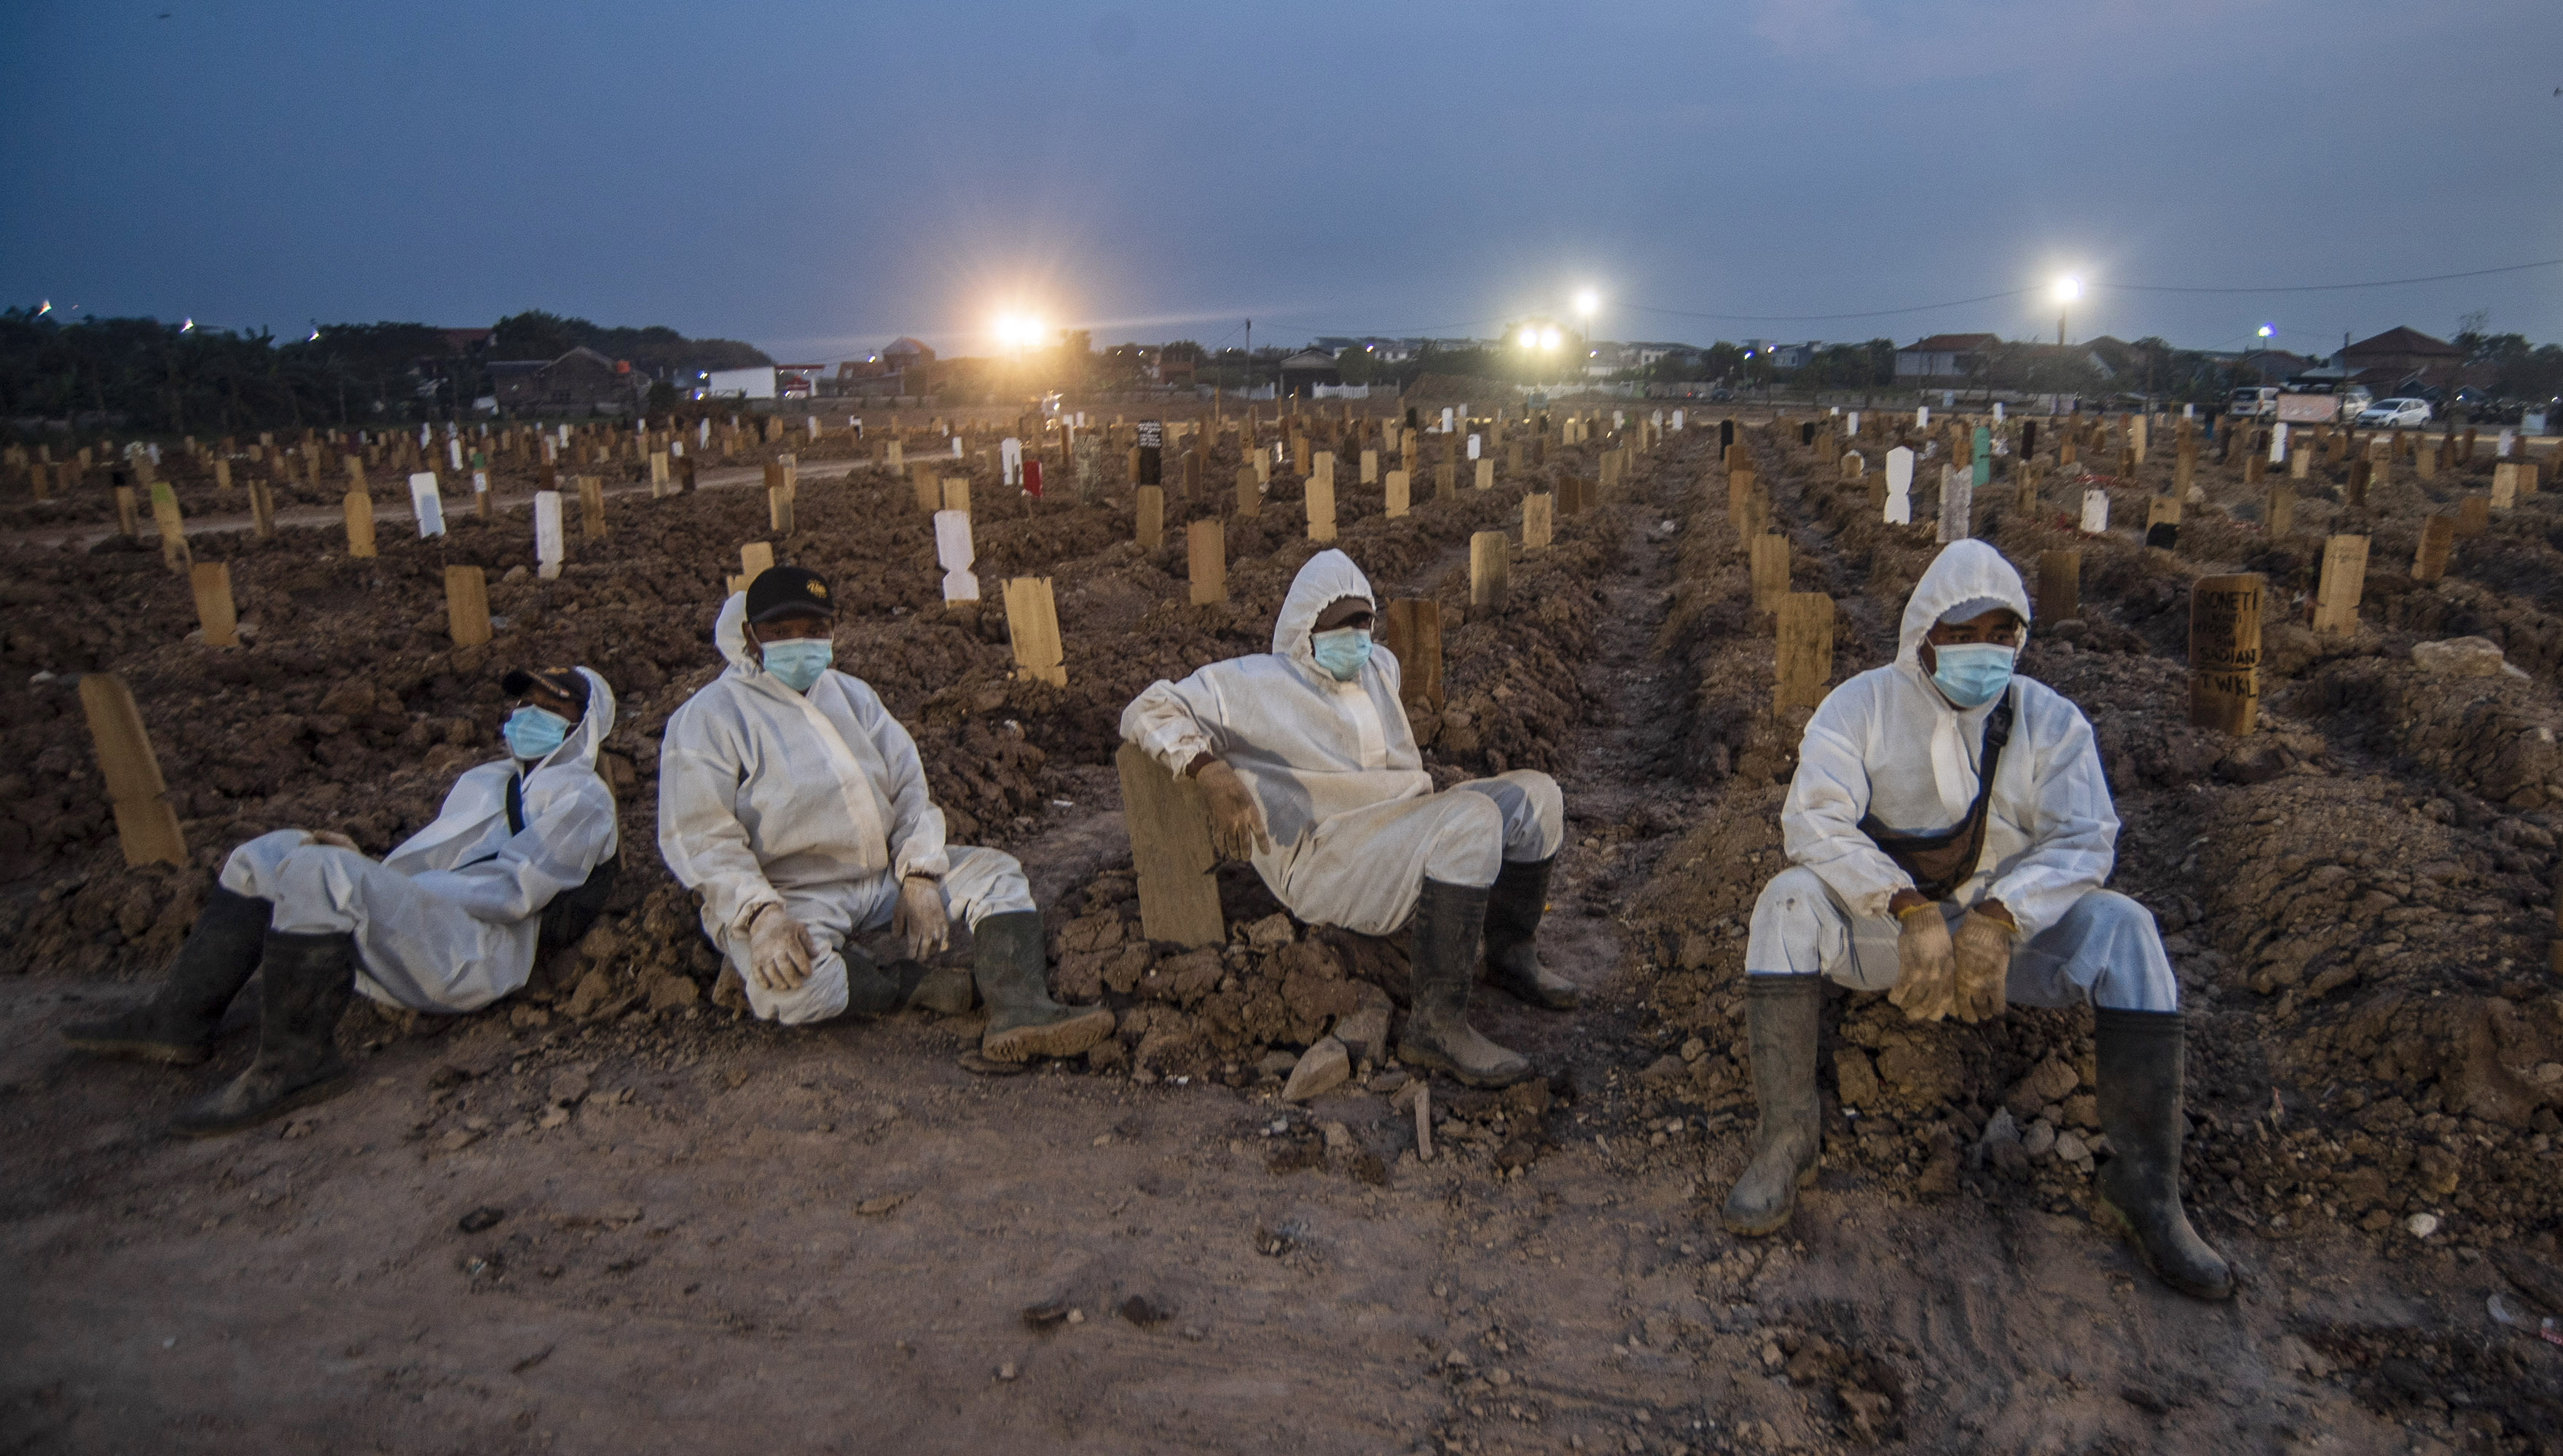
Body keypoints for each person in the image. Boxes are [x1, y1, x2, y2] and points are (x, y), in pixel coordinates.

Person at [1719, 540, 2232, 1301]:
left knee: (2126, 927)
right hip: (1891, 938)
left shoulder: (2048, 720)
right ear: (1923, 632)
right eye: (1961, 632)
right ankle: (1785, 1139)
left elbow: (2086, 836)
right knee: (1784, 900)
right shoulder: (1860, 705)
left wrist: (2001, 916)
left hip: (2005, 951)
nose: (1982, 650)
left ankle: (2146, 1187)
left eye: (2001, 632)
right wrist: (1903, 902)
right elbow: (1814, 821)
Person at [65, 666, 623, 1136]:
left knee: (320, 870)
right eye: (524, 701)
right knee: (265, 853)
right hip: (434, 923)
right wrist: (376, 876)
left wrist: (378, 882)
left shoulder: (582, 800)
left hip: (485, 950)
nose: (527, 713)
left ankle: (297, 1063)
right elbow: (433, 860)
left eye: (549, 706)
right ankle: (179, 1020)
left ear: (582, 723)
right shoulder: (489, 780)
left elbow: (512, 892)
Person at [1120, 549, 1572, 1087]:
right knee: (1471, 819)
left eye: (1365, 622)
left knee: (1539, 796)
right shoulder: (1253, 683)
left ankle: (1510, 952)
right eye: (1341, 626)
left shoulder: (1377, 667)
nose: (1357, 636)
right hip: (1326, 855)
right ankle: (1435, 1026)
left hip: (1399, 825)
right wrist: (1210, 772)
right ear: (1305, 628)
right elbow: (1145, 710)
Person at [659, 565, 1111, 1059]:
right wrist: (761, 915)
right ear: (749, 635)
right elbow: (700, 835)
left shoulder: (852, 695)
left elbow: (908, 788)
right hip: (790, 897)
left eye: (814, 630)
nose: (801, 643)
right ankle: (907, 985)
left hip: (882, 877)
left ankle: (1022, 1010)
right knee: (790, 992)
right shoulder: (710, 717)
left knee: (995, 873)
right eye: (780, 632)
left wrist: (917, 873)